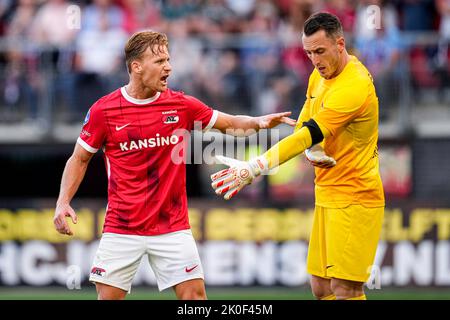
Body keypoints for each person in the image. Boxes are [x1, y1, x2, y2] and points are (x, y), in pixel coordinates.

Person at [53, 30, 295, 300]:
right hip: (122, 227)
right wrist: (63, 202)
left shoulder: (180, 105)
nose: (168, 67)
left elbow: (228, 122)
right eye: (159, 62)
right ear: (136, 66)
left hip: (172, 227)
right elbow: (79, 158)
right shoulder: (104, 111)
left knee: (194, 299)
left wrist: (259, 122)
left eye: (168, 60)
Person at [211, 12, 385, 300]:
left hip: (356, 197)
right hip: (328, 193)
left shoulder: (354, 86)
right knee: (321, 287)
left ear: (340, 44)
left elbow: (307, 133)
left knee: (346, 289)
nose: (314, 60)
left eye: (320, 51)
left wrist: (257, 166)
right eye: (308, 53)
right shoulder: (320, 74)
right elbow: (307, 117)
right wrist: (313, 148)